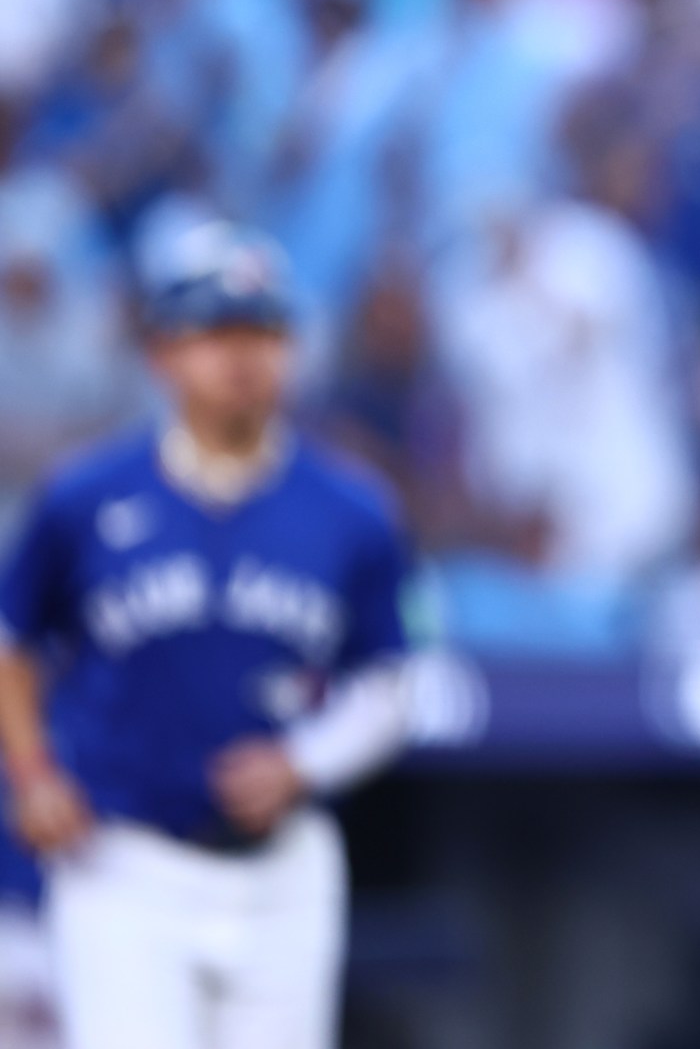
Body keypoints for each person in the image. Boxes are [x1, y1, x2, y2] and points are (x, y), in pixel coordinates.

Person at [0, 223, 414, 1049]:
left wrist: (306, 760)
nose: (242, 357)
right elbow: (12, 641)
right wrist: (35, 772)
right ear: (162, 352)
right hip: (124, 858)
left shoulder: (352, 510)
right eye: (216, 332)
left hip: (281, 869)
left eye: (262, 332)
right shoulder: (84, 497)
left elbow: (393, 683)